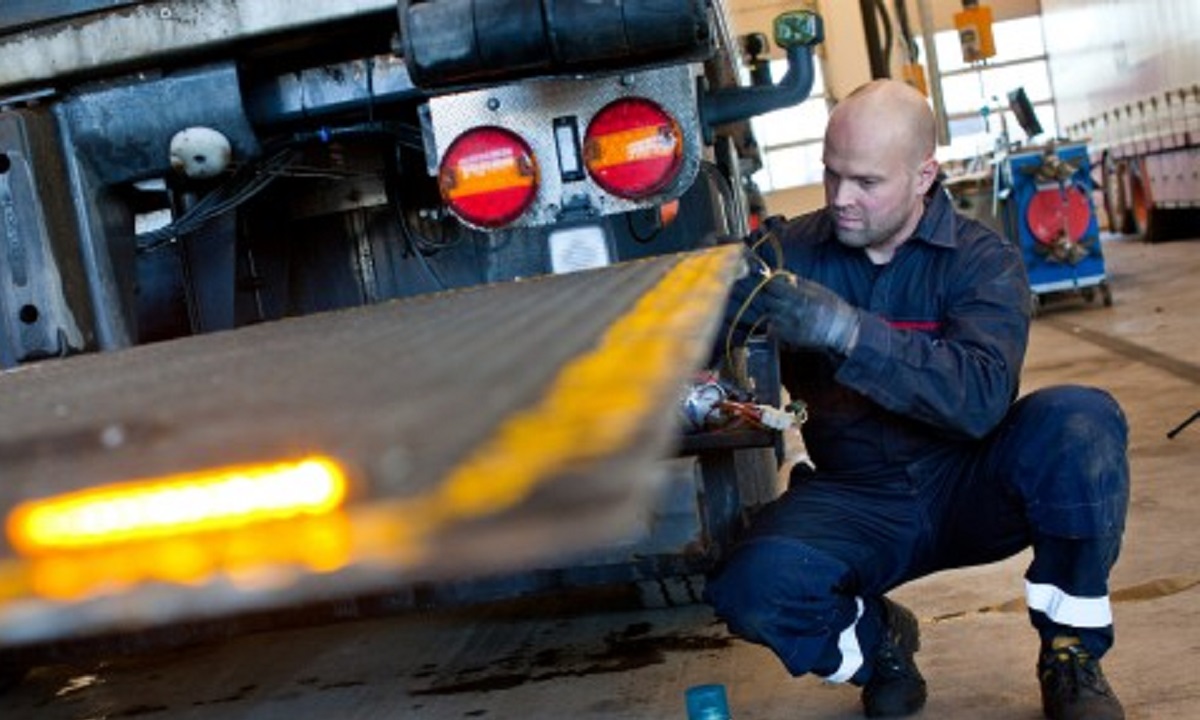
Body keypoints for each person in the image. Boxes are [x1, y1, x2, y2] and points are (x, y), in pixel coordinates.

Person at [706, 79, 1129, 720]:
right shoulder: (787, 256)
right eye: (831, 174)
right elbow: (700, 323)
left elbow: (981, 399)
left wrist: (843, 331)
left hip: (969, 481)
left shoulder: (982, 262)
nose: (842, 198)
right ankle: (882, 647)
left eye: (866, 182)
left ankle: (1070, 651)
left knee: (1081, 421)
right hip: (857, 496)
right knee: (751, 589)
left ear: (924, 175)